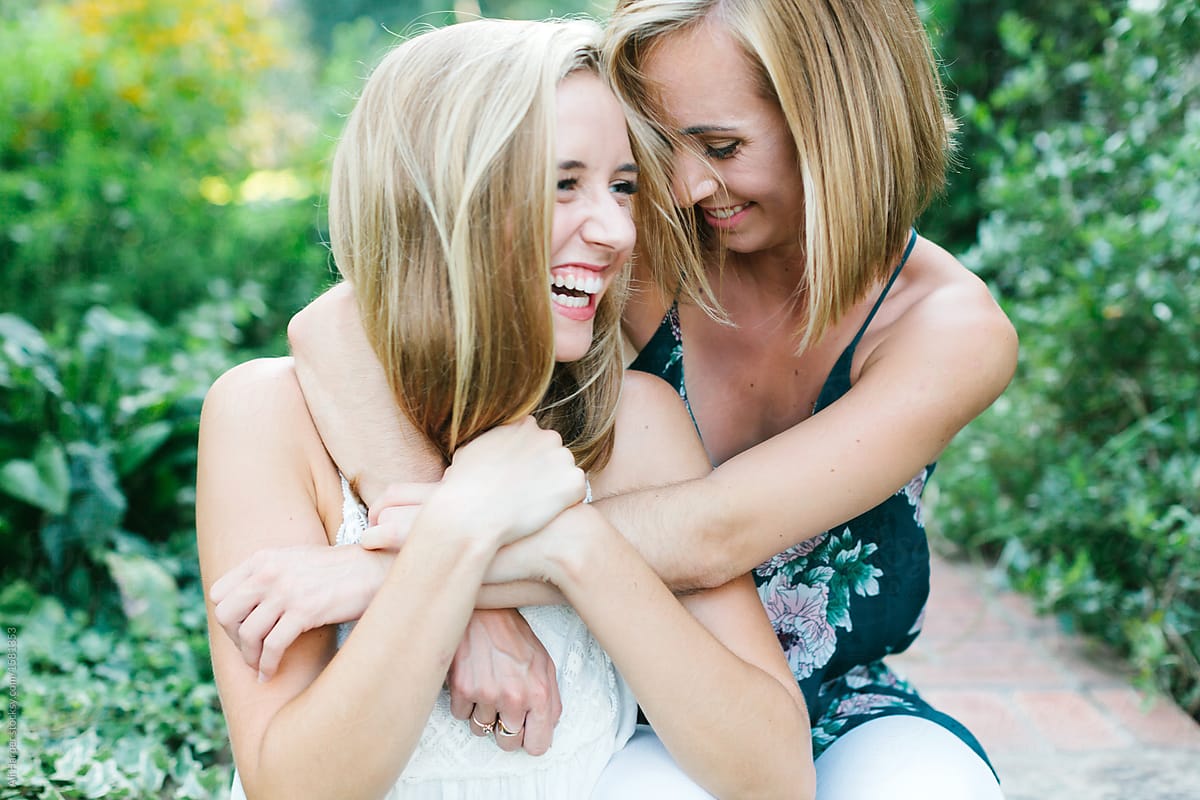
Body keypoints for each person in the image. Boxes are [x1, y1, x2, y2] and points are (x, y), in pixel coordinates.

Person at [282, 1, 1018, 798]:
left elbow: (712, 532)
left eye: (722, 145)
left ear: (842, 120)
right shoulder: (657, 241)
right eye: (664, 145)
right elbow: (339, 321)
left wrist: (408, 572)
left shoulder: (947, 331)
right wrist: (433, 551)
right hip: (612, 687)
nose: (687, 182)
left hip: (829, 703)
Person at [196, 17, 812, 800]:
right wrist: (456, 537)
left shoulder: (636, 422)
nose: (617, 230)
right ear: (443, 196)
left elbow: (776, 776)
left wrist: (569, 545)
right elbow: (295, 788)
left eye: (622, 186)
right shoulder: (267, 418)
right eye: (564, 183)